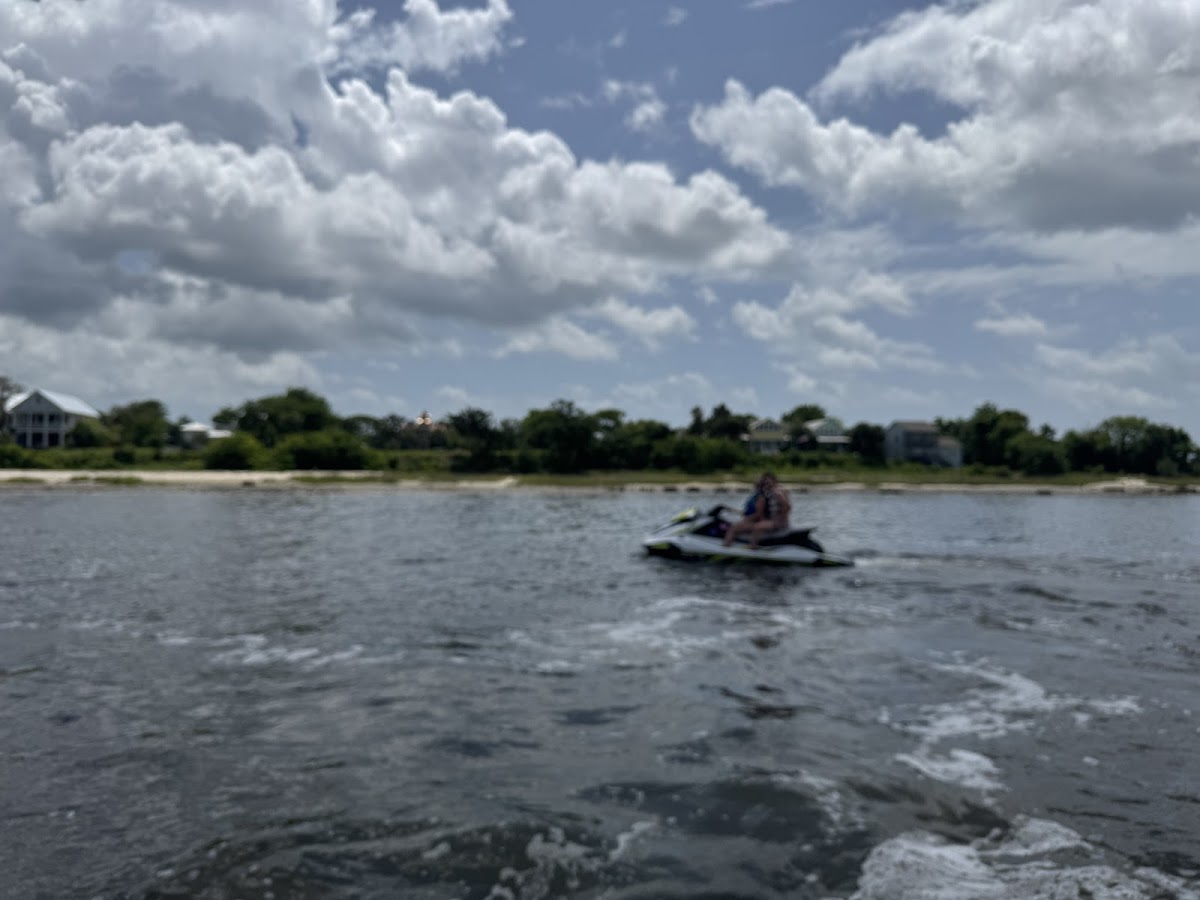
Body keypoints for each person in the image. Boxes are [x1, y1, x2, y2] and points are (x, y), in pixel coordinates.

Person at [723, 472, 791, 549]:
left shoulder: (778, 492)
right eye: (765, 482)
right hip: (770, 520)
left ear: (774, 481)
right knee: (737, 526)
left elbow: (787, 507)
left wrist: (781, 517)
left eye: (768, 481)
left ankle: (752, 547)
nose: (766, 483)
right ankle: (728, 545)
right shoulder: (768, 493)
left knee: (757, 527)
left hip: (777, 522)